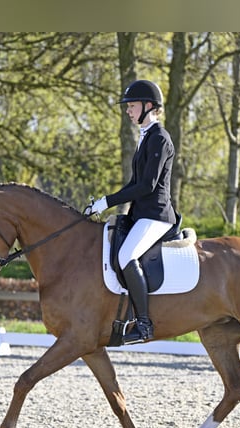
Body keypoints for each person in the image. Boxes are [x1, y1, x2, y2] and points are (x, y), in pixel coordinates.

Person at [85, 79, 177, 344]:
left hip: (157, 215)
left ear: (149, 106)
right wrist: (105, 201)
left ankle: (144, 325)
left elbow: (147, 185)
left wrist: (108, 202)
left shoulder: (160, 138)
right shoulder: (145, 137)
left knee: (126, 255)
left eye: (132, 105)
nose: (127, 110)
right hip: (141, 214)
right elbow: (134, 183)